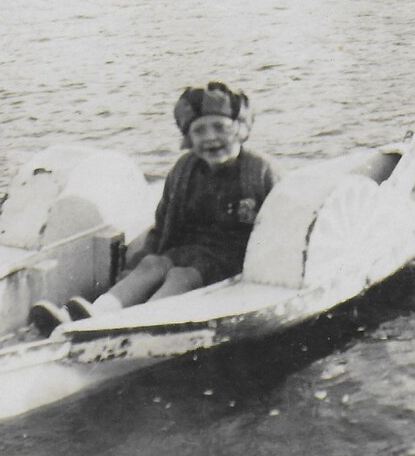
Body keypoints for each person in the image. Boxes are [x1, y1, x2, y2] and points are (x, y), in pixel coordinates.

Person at [30, 82, 278, 335]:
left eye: (220, 127)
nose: (210, 138)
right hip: (189, 251)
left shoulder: (258, 171)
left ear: (240, 129)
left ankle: (136, 322)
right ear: (188, 139)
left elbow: (285, 225)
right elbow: (163, 226)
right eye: (199, 131)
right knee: (152, 263)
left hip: (233, 260)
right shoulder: (184, 170)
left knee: (181, 277)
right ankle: (97, 311)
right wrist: (134, 267)